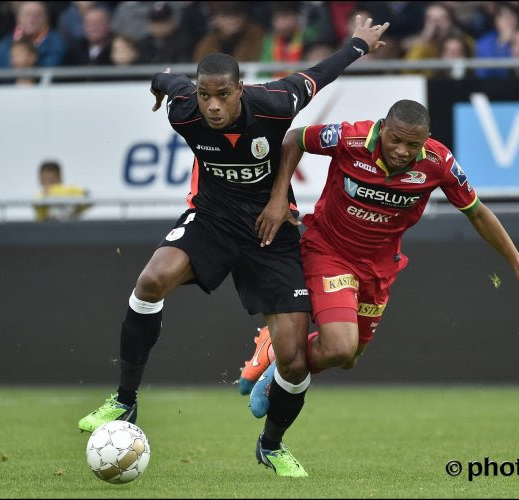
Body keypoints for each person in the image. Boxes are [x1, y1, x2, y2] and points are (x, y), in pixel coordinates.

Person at [77, 16, 391, 478]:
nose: (214, 105)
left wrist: (359, 44)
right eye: (206, 95)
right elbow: (165, 79)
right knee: (151, 280)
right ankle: (124, 401)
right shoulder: (183, 109)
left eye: (223, 94)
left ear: (240, 89)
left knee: (293, 357)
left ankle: (272, 445)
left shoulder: (275, 102)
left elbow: (320, 74)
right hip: (212, 220)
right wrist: (160, 86)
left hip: (271, 232)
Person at [238, 100, 519, 418]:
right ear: (383, 128)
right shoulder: (349, 138)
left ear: (426, 139)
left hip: (378, 267)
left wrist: (518, 264)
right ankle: (282, 364)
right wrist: (278, 196)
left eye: (413, 144)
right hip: (329, 252)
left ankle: (279, 348)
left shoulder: (439, 161)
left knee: (348, 358)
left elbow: (478, 212)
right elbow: (295, 138)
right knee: (339, 346)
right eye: (396, 140)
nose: (403, 151)